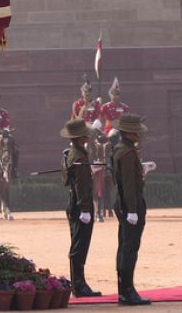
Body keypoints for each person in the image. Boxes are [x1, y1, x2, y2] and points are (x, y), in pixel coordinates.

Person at [112, 113, 151, 306]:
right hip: (130, 204)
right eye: (137, 131)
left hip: (124, 203)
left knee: (125, 246)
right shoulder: (127, 153)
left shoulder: (121, 149)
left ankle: (124, 288)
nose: (140, 134)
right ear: (129, 133)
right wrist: (133, 210)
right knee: (129, 248)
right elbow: (128, 184)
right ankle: (127, 291)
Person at [60, 118, 101, 298]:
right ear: (81, 137)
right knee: (80, 245)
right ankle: (78, 284)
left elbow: (70, 179)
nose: (88, 136)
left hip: (74, 202)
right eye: (85, 134)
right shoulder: (79, 156)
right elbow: (81, 185)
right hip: (80, 204)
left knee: (78, 244)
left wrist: (88, 170)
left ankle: (78, 283)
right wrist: (85, 208)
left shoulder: (71, 153)